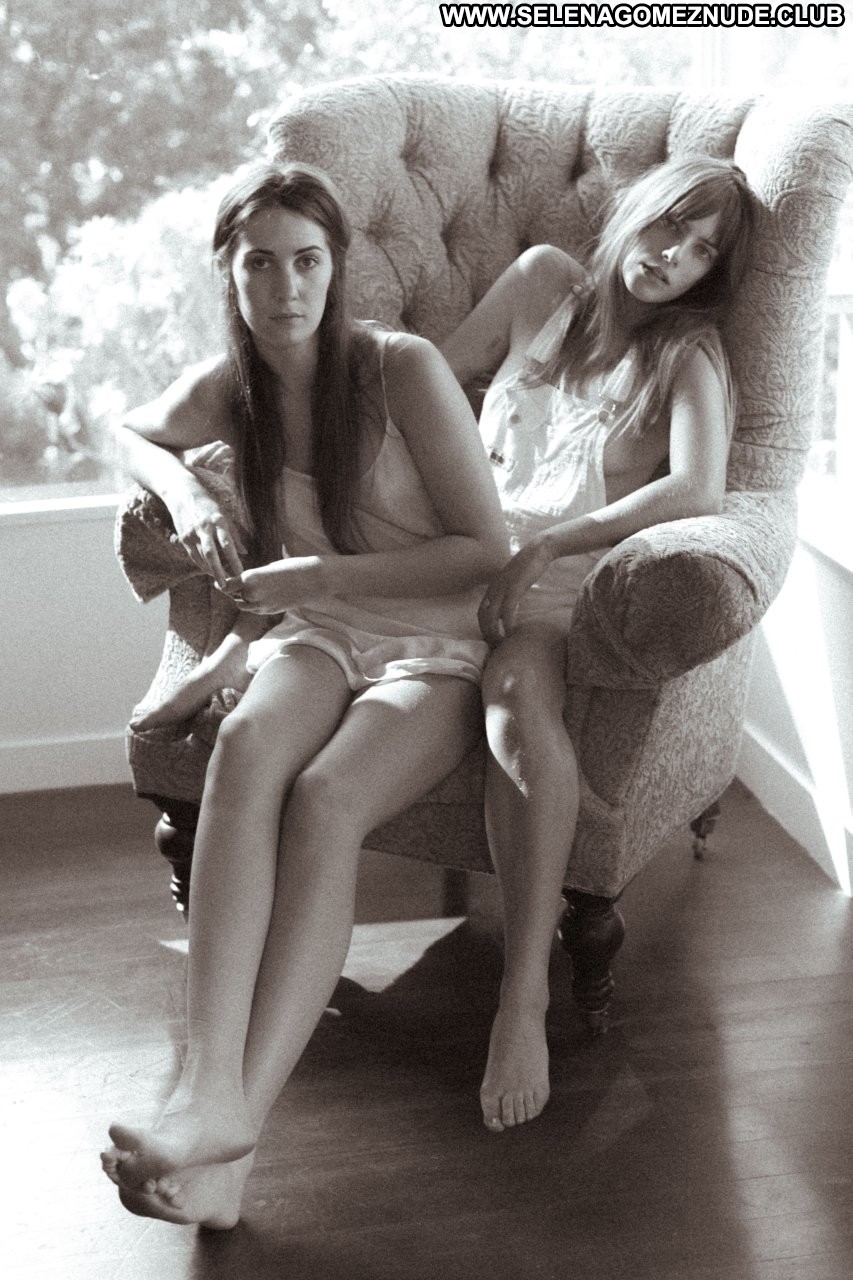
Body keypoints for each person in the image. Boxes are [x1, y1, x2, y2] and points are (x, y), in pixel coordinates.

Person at [100, 161, 509, 1226]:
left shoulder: (400, 368)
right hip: (323, 633)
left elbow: (486, 549)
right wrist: (186, 487)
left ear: (337, 267)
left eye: (308, 261)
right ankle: (209, 1107)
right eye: (260, 264)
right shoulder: (230, 387)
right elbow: (128, 430)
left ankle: (230, 1123)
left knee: (325, 798)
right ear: (229, 273)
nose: (286, 287)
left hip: (439, 642)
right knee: (243, 751)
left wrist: (320, 575)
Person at [439, 156, 757, 1133]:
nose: (674, 258)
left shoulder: (686, 353)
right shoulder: (539, 282)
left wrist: (551, 542)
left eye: (701, 252)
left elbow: (698, 488)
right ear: (633, 210)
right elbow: (426, 383)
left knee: (516, 710)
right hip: (459, 555)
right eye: (669, 226)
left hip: (560, 593)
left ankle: (522, 998)